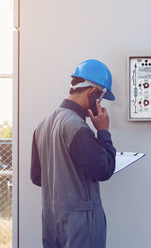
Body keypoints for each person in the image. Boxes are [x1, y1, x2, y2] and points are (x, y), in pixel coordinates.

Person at [30, 59, 116, 248]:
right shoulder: (76, 126)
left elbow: (37, 177)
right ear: (93, 92)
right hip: (80, 225)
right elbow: (104, 169)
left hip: (52, 221)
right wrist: (103, 131)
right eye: (101, 99)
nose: (100, 104)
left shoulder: (42, 125)